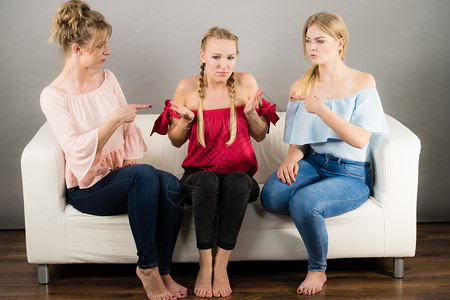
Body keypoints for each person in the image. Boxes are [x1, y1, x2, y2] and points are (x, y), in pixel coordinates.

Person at [40, 1, 187, 299]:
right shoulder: (53, 96)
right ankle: (146, 268)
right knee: (145, 175)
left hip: (116, 177)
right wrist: (114, 119)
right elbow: (77, 149)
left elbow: (128, 129)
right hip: (87, 188)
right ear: (77, 50)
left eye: (108, 44)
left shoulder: (108, 79)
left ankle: (164, 270)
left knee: (171, 184)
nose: (108, 52)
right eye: (101, 46)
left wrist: (129, 158)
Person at [260, 12, 389, 296]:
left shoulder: (363, 81)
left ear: (340, 42)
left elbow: (358, 139)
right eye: (308, 41)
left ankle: (318, 269)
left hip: (350, 173)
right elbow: (298, 141)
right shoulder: (300, 86)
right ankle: (315, 193)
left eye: (320, 40)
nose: (312, 48)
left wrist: (322, 109)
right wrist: (291, 159)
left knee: (305, 203)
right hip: (313, 163)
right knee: (271, 197)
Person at [152, 27, 279, 298]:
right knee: (208, 181)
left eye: (230, 58)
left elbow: (260, 134)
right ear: (202, 56)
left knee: (234, 180)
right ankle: (205, 264)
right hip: (197, 177)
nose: (224, 65)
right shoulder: (186, 87)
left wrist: (250, 114)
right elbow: (175, 140)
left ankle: (221, 266)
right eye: (216, 57)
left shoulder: (246, 83)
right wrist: (185, 121)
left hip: (240, 178)